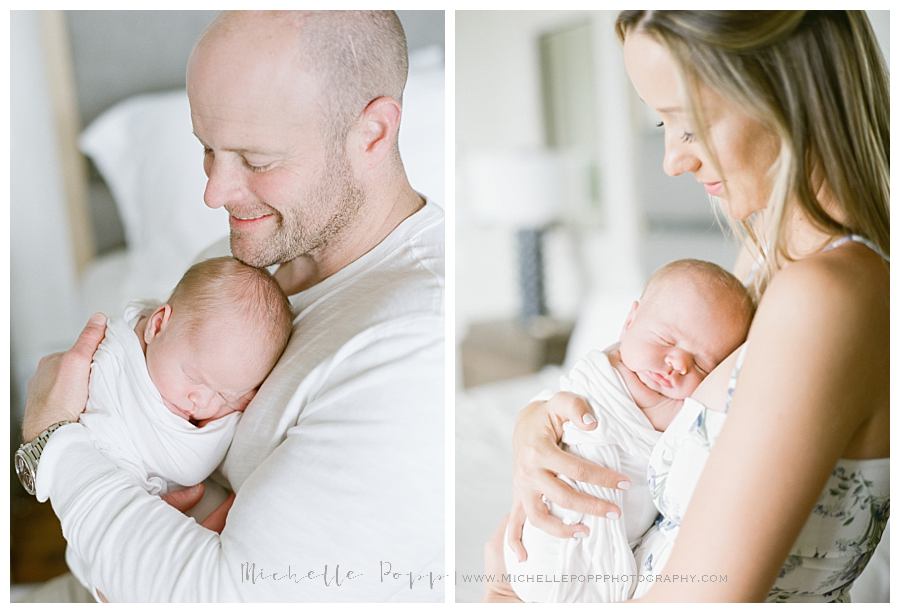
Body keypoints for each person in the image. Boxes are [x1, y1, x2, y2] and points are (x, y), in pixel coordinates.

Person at [19, 10, 444, 602]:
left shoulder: (417, 340)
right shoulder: (236, 257)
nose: (215, 192)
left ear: (372, 132)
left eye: (257, 160)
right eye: (206, 150)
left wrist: (53, 445)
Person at [487, 10, 888, 602]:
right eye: (662, 126)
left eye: (690, 124)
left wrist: (501, 591)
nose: (673, 160)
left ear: (785, 90)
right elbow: (647, 374)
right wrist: (536, 426)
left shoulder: (828, 296)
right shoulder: (764, 258)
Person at [504, 259, 754, 602]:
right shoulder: (600, 374)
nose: (679, 364)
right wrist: (535, 414)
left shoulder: (687, 409)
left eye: (701, 364)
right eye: (666, 340)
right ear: (630, 321)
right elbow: (556, 405)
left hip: (613, 550)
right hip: (541, 538)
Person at [64, 256, 292, 595]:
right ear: (156, 326)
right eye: (194, 377)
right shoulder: (115, 364)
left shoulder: (183, 360)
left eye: (225, 396)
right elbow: (182, 463)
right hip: (103, 520)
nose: (201, 403)